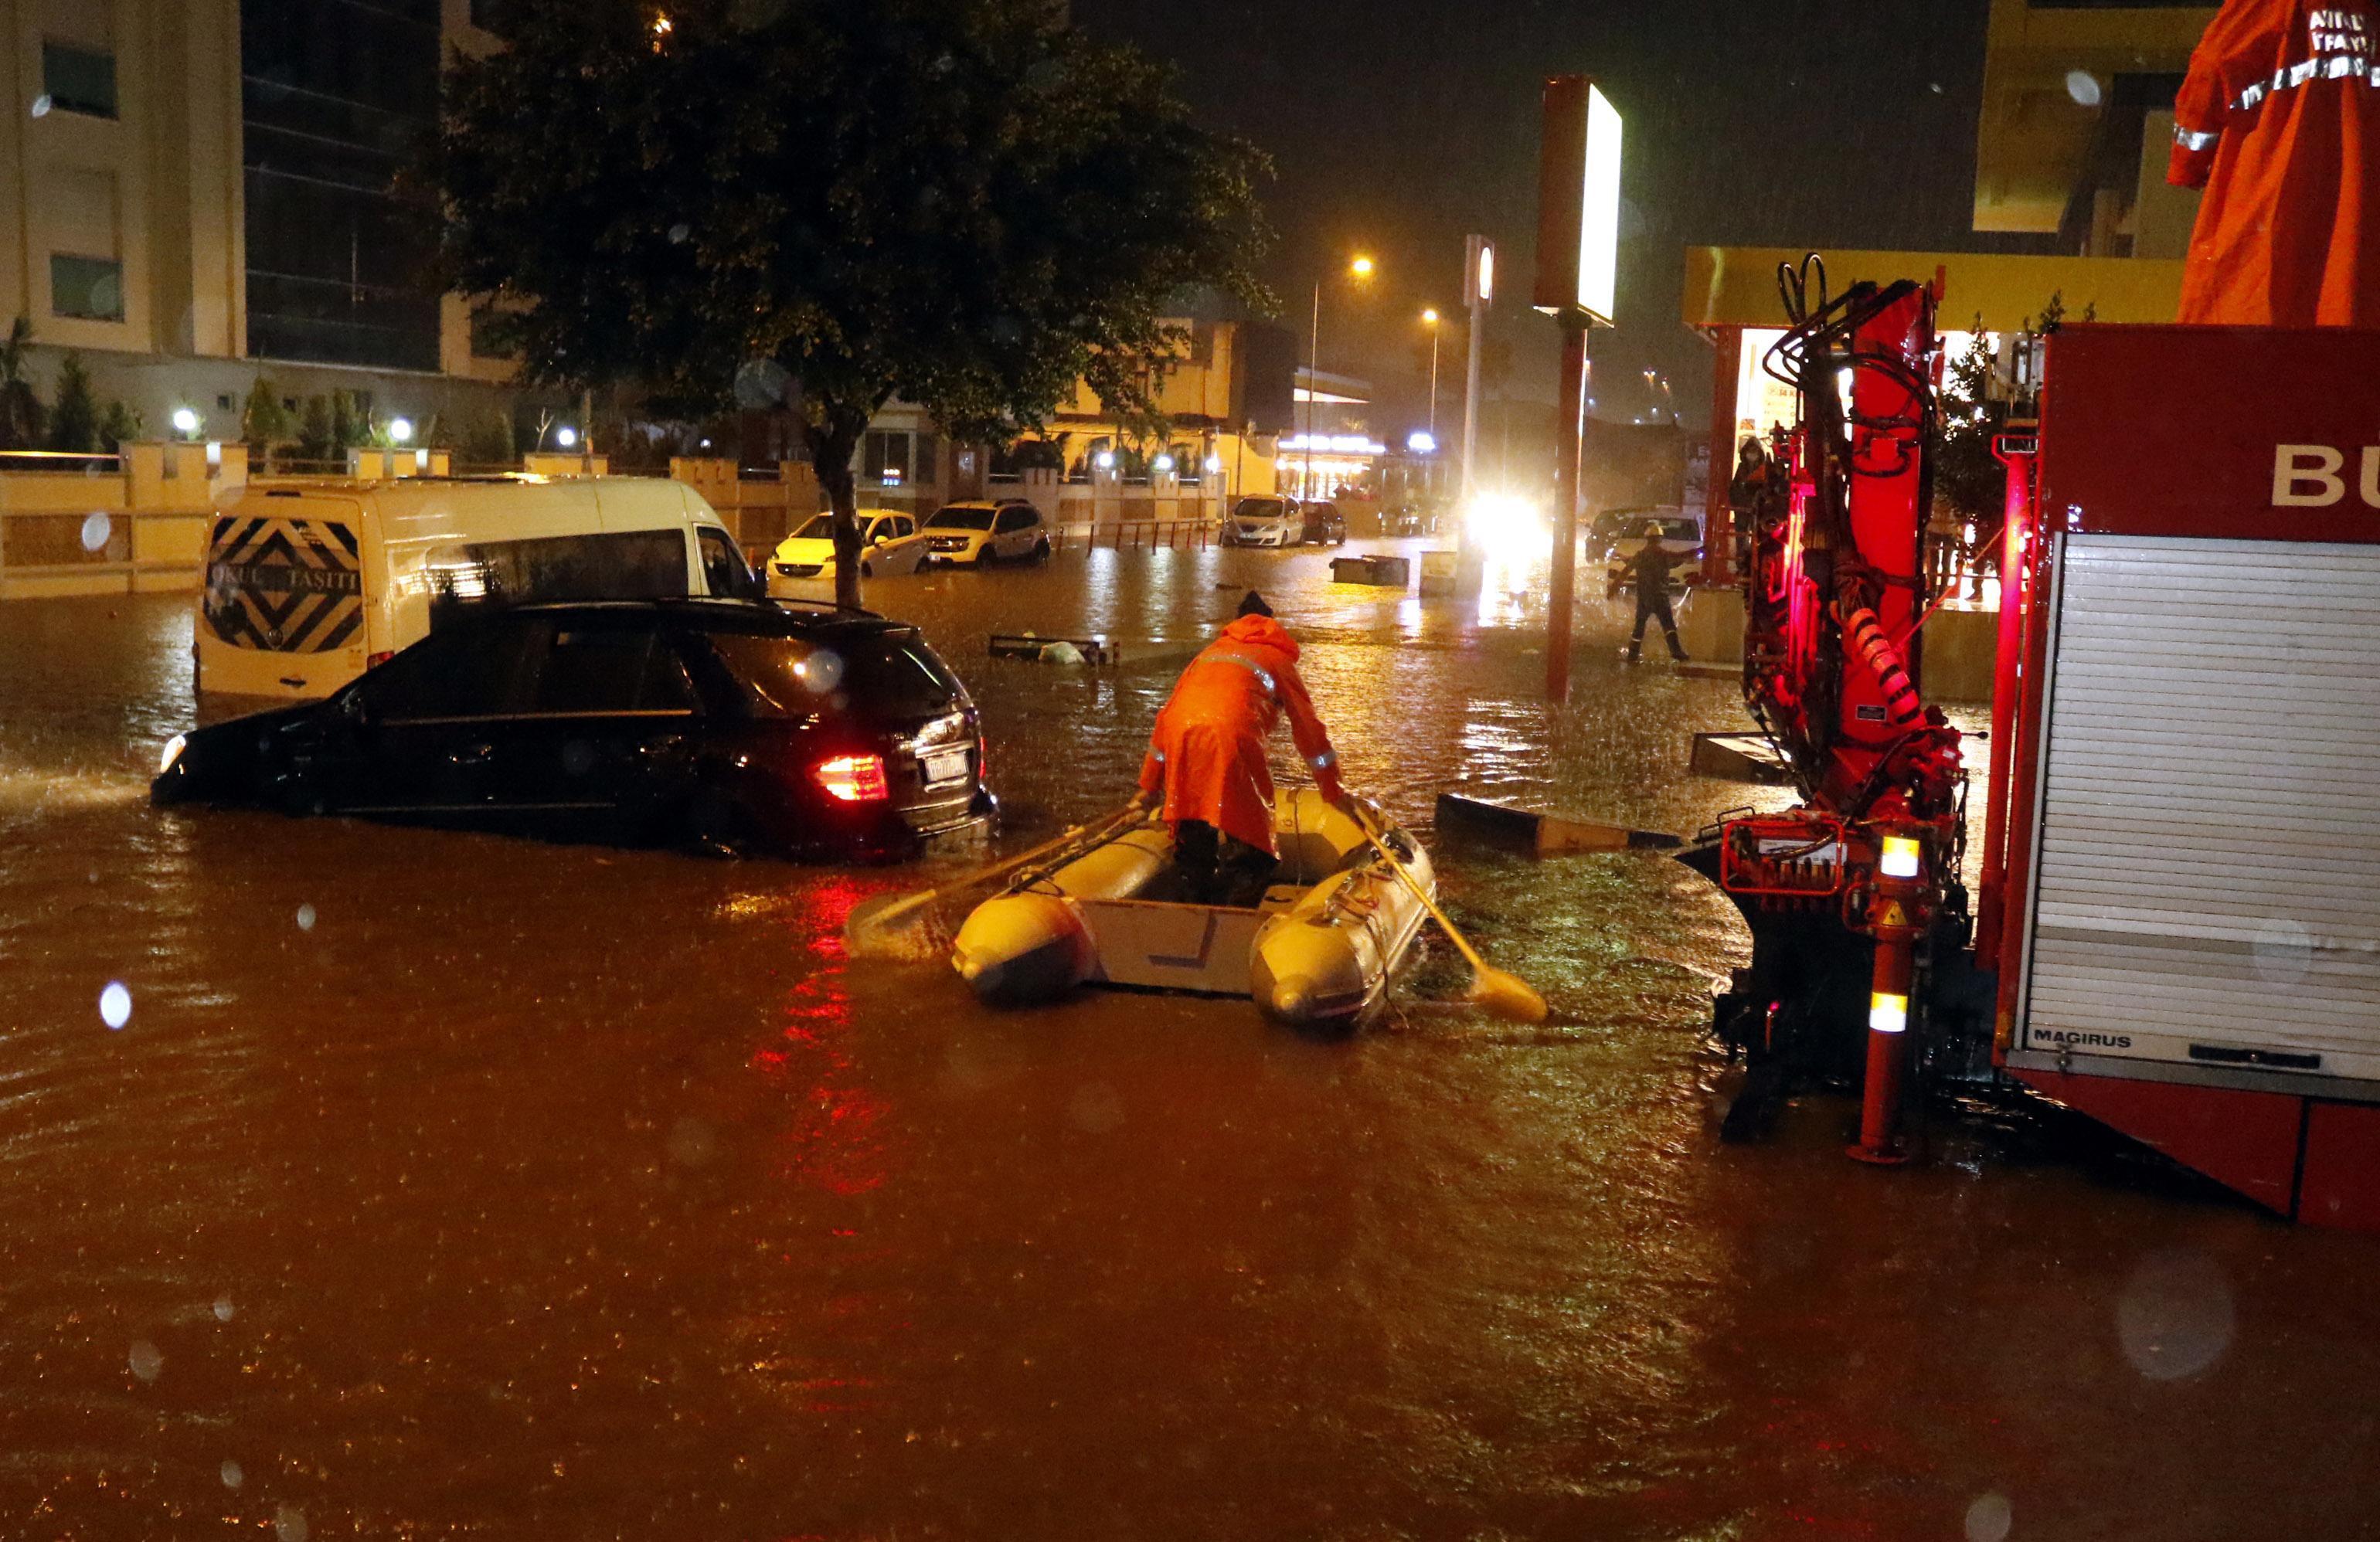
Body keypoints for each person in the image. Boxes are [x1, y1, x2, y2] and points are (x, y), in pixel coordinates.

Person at [1134, 591, 1347, 905]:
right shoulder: (1277, 659)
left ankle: (1193, 909)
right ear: (1272, 625)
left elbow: (1166, 720)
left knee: (1194, 840)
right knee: (1253, 853)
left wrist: (1148, 787)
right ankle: (1232, 919)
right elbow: (1309, 730)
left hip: (1183, 738)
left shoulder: (1207, 655)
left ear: (1235, 624)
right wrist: (1332, 788)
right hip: (1233, 738)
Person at [1626, 521, 1688, 664]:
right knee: (1669, 626)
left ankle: (1632, 655)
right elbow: (1679, 558)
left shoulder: (1640, 556)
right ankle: (1676, 652)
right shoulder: (1664, 554)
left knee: (1639, 628)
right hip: (1660, 597)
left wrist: (1612, 591)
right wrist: (1701, 550)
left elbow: (1625, 572)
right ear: (1660, 539)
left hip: (1644, 598)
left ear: (1647, 539)